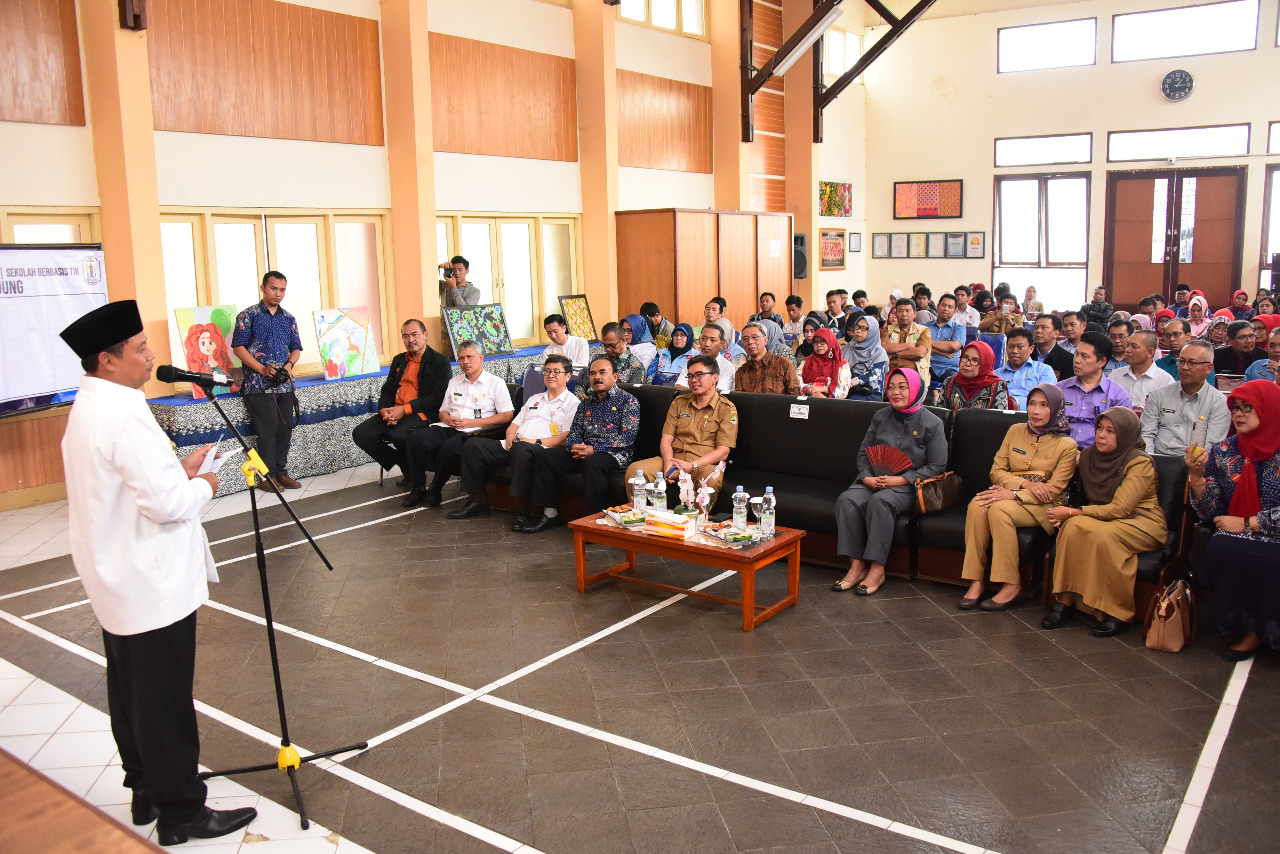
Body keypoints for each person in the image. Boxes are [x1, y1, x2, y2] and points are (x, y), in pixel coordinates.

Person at [58, 301, 258, 845]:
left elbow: (130, 481)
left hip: (116, 577)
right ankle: (183, 812)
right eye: (141, 349)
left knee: (132, 692)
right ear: (108, 359)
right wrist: (206, 484)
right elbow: (168, 506)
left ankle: (146, 789)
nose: (151, 357)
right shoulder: (122, 412)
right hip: (149, 581)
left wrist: (177, 468)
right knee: (165, 699)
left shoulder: (92, 406)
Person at [1041, 408, 1168, 637]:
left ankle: (1117, 612)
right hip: (1102, 517)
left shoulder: (1140, 463)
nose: (1101, 435)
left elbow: (1121, 508)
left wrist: (1073, 512)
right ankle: (1065, 600)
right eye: (1100, 428)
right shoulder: (1089, 455)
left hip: (1141, 521)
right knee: (1071, 528)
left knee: (1101, 534)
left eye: (1111, 431)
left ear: (1126, 434)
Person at [960, 384, 1077, 611]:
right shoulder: (1015, 430)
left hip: (1045, 506)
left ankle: (1011, 584)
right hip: (1014, 492)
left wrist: (1013, 493)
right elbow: (996, 471)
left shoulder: (1067, 445)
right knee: (977, 504)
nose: (1036, 410)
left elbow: (1053, 490)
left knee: (999, 509)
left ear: (1056, 408)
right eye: (1032, 403)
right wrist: (1026, 483)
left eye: (1044, 405)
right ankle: (976, 580)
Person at [832, 369, 948, 596]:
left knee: (881, 502)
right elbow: (864, 453)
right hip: (874, 478)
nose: (896, 392)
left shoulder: (932, 423)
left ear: (915, 389)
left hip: (908, 486)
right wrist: (866, 477)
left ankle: (877, 568)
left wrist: (902, 479)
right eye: (891, 386)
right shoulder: (880, 416)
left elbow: (938, 466)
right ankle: (856, 565)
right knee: (847, 499)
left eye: (903, 387)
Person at [1188, 380, 1280, 660]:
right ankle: (1249, 628)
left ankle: (1263, 630)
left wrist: (1250, 523)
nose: (1238, 414)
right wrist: (1197, 477)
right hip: (1234, 535)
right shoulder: (1225, 451)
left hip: (1272, 534)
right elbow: (1209, 511)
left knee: (1232, 547)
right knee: (1221, 547)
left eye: (1247, 408)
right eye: (1235, 408)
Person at [449, 354, 580, 524]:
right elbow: (513, 425)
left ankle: (522, 509)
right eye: (547, 371)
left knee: (521, 449)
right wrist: (510, 437)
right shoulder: (535, 399)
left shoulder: (573, 403)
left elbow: (565, 437)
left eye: (556, 371)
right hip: (515, 445)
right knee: (472, 444)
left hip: (540, 449)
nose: (551, 375)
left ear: (568, 376)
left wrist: (533, 442)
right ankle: (477, 500)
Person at [524, 356, 640, 532]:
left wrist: (595, 449)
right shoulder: (586, 402)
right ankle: (549, 514)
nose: (597, 377)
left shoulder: (628, 401)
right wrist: (574, 446)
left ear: (615, 376)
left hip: (615, 454)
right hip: (584, 451)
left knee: (592, 463)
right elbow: (575, 431)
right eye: (592, 373)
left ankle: (593, 522)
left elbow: (627, 438)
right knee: (546, 456)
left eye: (602, 372)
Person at [402, 340, 514, 508]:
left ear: (481, 358)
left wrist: (473, 422)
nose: (465, 362)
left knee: (448, 447)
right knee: (415, 438)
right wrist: (447, 419)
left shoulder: (495, 383)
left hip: (475, 432)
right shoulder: (454, 382)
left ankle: (435, 490)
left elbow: (507, 415)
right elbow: (443, 412)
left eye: (469, 357)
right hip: (448, 426)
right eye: (461, 358)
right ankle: (417, 488)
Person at [626, 353, 738, 508]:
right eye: (690, 376)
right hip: (673, 459)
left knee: (711, 480)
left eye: (699, 375)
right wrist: (668, 464)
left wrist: (691, 465)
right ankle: (641, 517)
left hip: (701, 465)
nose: (693, 380)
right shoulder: (679, 402)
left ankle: (694, 524)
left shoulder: (726, 408)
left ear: (715, 378)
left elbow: (723, 452)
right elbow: (666, 439)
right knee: (635, 470)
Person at [351, 319, 452, 479]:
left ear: (425, 335)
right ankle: (404, 463)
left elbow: (437, 397)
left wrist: (404, 409)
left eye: (415, 334)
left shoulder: (440, 361)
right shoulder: (399, 360)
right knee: (361, 434)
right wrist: (385, 411)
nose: (411, 340)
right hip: (395, 410)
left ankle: (417, 472)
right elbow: (387, 390)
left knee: (400, 436)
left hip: (422, 411)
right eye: (406, 336)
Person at [231, 271, 303, 490]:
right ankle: (266, 476)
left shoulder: (288, 318)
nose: (278, 294)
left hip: (284, 385)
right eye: (274, 289)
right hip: (257, 385)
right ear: (262, 288)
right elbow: (238, 348)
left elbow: (297, 348)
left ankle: (281, 473)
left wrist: (288, 367)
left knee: (284, 429)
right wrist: (262, 369)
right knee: (268, 430)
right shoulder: (248, 315)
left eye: (282, 290)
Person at [1141, 340, 1229, 456]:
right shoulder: (1159, 395)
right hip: (1156, 460)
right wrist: (1149, 461)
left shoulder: (1219, 402)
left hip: (1195, 464)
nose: (1185, 367)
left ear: (1208, 368)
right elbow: (1146, 434)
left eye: (1192, 363)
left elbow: (1211, 445)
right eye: (1181, 361)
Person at [1058, 331, 1133, 448]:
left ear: (1102, 362)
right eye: (1076, 354)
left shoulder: (1118, 396)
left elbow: (1122, 437)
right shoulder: (1059, 390)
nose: (1077, 360)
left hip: (1099, 456)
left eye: (1084, 356)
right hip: (1060, 452)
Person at [941, 342, 1013, 420]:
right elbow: (939, 416)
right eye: (965, 357)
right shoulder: (949, 382)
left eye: (975, 360)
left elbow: (1001, 421)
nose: (968, 363)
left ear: (985, 364)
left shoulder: (998, 386)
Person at [1109, 330, 1173, 412]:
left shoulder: (1165, 381)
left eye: (1134, 347)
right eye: (1127, 345)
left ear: (1150, 352)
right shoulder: (1115, 376)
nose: (1128, 350)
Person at [997, 327, 1056, 410]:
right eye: (1011, 346)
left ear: (1031, 349)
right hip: (998, 418)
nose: (1014, 351)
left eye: (1020, 347)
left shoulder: (1043, 371)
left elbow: (1047, 402)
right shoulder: (995, 374)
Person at [735, 321, 800, 395]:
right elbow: (739, 400)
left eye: (755, 337)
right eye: (745, 339)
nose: (750, 342)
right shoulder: (741, 371)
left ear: (765, 340)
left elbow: (796, 396)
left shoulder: (784, 365)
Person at [882, 298, 931, 382]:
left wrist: (895, 355)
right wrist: (909, 346)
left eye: (908, 311)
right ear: (896, 313)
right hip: (890, 375)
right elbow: (884, 347)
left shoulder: (923, 330)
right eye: (900, 311)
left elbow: (920, 352)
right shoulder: (887, 330)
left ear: (915, 314)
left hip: (915, 376)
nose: (904, 314)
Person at [181, 322, 238, 396]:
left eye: (211, 342)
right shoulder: (200, 364)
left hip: (228, 394)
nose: (207, 346)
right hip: (213, 396)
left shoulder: (222, 360)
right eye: (203, 343)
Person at [675, 325, 736, 392]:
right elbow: (678, 386)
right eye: (703, 339)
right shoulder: (692, 362)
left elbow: (719, 392)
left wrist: (694, 391)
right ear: (699, 340)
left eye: (713, 340)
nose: (707, 344)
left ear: (722, 344)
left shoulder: (728, 367)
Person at [843, 314, 890, 400]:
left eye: (863, 328)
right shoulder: (849, 348)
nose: (858, 331)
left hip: (870, 390)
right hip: (847, 387)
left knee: (853, 402)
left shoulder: (879, 352)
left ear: (872, 331)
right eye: (857, 327)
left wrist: (855, 381)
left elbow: (875, 373)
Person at [799, 328, 851, 398]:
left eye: (823, 341)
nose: (819, 345)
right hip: (807, 398)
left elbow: (843, 392)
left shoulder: (841, 365)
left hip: (830, 403)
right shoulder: (806, 362)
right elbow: (796, 383)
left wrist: (823, 390)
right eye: (815, 342)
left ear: (830, 342)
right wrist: (812, 392)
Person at [925, 294, 964, 382]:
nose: (946, 309)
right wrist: (940, 351)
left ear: (955, 311)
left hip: (948, 368)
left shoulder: (959, 328)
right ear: (938, 307)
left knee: (954, 383)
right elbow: (918, 347)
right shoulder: (924, 326)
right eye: (943, 305)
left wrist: (928, 342)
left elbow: (953, 347)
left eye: (950, 307)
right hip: (926, 366)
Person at [597, 321, 647, 387]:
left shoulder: (636, 367)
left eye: (612, 345)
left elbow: (633, 394)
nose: (608, 349)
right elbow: (582, 384)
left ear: (623, 340)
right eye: (605, 345)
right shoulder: (599, 360)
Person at [1031, 314, 1075, 381]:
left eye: (1044, 327)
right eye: (1036, 327)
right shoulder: (1027, 354)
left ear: (1056, 333)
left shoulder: (1069, 360)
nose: (1038, 331)